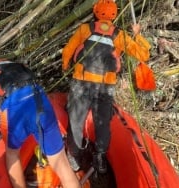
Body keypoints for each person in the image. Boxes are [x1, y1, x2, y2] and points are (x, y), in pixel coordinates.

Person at [0, 46, 80, 188]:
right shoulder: (4, 63)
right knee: (62, 164)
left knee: (12, 154)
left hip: (15, 106)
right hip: (40, 98)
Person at [62, 0, 151, 174]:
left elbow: (68, 51)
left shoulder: (84, 29)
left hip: (82, 82)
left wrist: (65, 67)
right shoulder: (119, 35)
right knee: (102, 122)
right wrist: (137, 35)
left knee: (76, 119)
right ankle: (100, 156)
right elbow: (143, 55)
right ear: (114, 15)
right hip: (105, 86)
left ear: (95, 11)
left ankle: (73, 156)